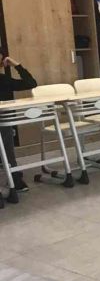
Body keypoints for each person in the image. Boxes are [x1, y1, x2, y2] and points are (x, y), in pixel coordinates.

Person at [0, 52, 37, 194]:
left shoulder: (3, 80)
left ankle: (14, 174)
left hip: (3, 123)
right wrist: (17, 65)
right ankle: (14, 174)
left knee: (6, 128)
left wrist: (17, 66)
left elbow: (31, 83)